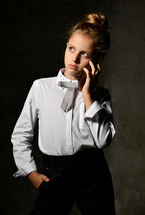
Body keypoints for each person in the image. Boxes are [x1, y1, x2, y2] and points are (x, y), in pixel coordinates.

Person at [11, 12, 116, 215]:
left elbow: (103, 141)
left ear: (97, 60)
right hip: (55, 173)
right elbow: (21, 134)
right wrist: (31, 172)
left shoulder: (100, 95)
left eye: (85, 54)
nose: (74, 58)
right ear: (66, 46)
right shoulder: (41, 87)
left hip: (93, 174)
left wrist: (87, 95)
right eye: (71, 48)